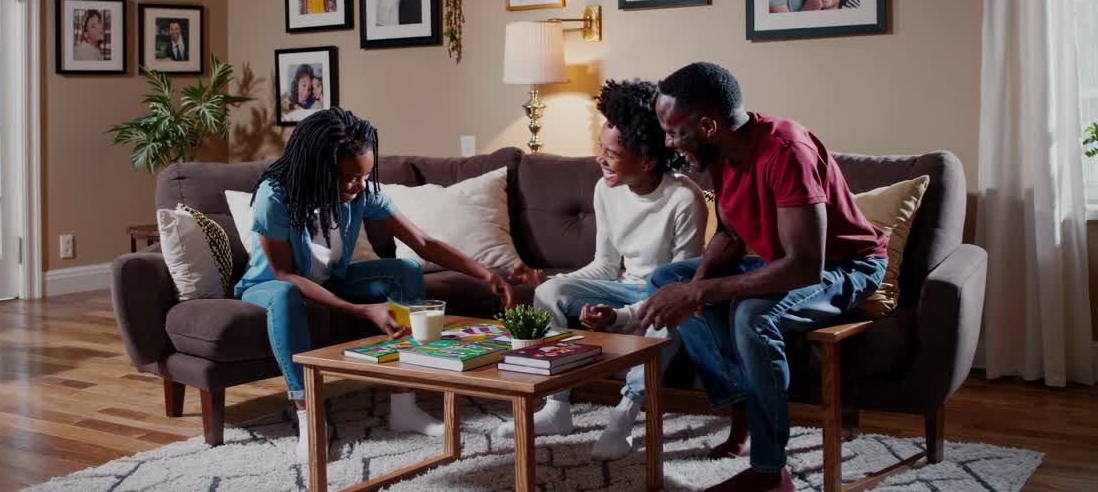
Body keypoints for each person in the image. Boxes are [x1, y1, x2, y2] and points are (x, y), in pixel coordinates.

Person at [643, 62, 888, 492]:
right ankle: (744, 402)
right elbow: (731, 234)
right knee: (667, 279)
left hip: (845, 265)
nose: (668, 142)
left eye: (673, 131)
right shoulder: (720, 153)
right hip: (790, 260)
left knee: (752, 318)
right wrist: (694, 286)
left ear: (708, 124)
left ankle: (770, 473)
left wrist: (699, 290)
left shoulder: (785, 152)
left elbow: (805, 265)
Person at [235, 108, 514, 460]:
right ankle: (309, 419)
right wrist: (362, 309)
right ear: (319, 170)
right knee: (287, 293)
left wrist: (485, 273)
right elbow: (284, 274)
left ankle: (404, 405)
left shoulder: (361, 192)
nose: (360, 185)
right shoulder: (274, 196)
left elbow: (422, 243)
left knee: (407, 270)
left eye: (365, 175)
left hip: (332, 280)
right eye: (349, 176)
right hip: (269, 285)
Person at [505, 79, 706, 460]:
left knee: (670, 318)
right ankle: (557, 406)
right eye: (600, 148)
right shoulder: (605, 188)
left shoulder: (684, 200)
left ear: (646, 160)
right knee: (549, 294)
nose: (599, 159)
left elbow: (678, 287)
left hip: (664, 297)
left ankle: (623, 417)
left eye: (610, 153)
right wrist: (555, 282)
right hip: (625, 288)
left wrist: (621, 316)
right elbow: (605, 266)